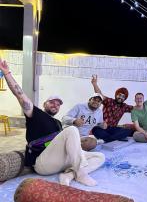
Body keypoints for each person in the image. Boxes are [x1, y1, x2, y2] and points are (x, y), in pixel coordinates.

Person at [0, 59, 105, 187]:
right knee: (72, 129)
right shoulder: (36, 114)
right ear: (45, 104)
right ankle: (81, 173)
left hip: (59, 160)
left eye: (58, 104)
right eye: (52, 102)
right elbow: (20, 94)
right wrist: (7, 73)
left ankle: (69, 175)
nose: (55, 105)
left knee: (99, 157)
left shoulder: (57, 123)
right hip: (42, 162)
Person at [91, 75, 134, 142]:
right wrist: (94, 84)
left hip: (113, 129)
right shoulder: (109, 101)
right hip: (102, 127)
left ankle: (108, 139)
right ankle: (115, 138)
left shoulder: (124, 106)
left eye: (123, 96)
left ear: (125, 99)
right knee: (95, 131)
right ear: (116, 95)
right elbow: (99, 94)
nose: (121, 97)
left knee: (128, 131)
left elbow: (136, 109)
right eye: (119, 95)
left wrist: (143, 104)